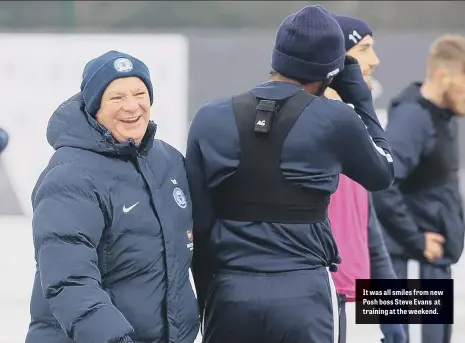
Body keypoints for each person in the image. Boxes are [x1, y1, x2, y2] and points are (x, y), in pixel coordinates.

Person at [185, 5, 394, 343]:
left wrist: (211, 298)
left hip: (231, 289)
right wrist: (362, 103)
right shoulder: (336, 119)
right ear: (331, 71)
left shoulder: (209, 117)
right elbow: (383, 173)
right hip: (304, 292)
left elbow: (200, 224)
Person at [26, 51, 199, 343]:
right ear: (95, 107)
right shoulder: (71, 176)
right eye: (116, 98)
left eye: (139, 93)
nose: (132, 106)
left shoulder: (168, 161)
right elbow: (69, 281)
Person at [372, 34, 465, 343]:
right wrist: (416, 240)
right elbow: (379, 182)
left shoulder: (445, 116)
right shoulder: (413, 116)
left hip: (429, 265)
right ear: (443, 75)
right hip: (408, 264)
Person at [325, 14, 405, 343]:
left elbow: (368, 231)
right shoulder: (311, 131)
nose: (375, 60)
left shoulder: (358, 132)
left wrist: (392, 313)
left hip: (346, 301)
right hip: (318, 301)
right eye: (364, 49)